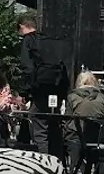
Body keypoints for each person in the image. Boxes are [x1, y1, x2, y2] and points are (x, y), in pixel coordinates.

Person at [17, 11, 70, 157]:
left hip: (40, 90)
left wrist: (23, 92)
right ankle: (58, 160)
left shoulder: (29, 40)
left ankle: (43, 161)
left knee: (39, 125)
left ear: (22, 27)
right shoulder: (51, 40)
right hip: (57, 90)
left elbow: (27, 67)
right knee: (54, 126)